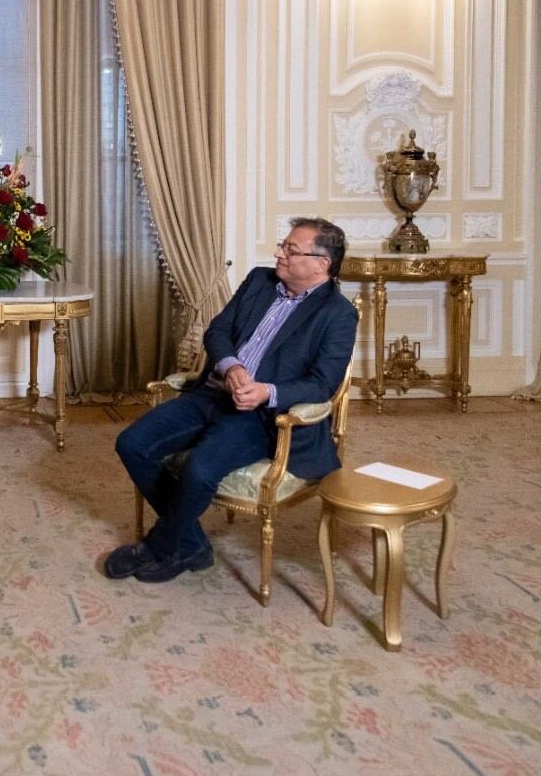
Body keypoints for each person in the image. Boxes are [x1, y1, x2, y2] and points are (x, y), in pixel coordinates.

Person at [106, 217, 358, 583]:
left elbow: (322, 384)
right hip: (211, 392)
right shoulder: (259, 280)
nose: (279, 253)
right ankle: (191, 544)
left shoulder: (338, 314)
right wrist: (232, 364)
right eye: (282, 245)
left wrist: (265, 391)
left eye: (290, 249)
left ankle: (159, 545)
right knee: (132, 443)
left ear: (321, 264)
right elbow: (218, 330)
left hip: (258, 416)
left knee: (199, 469)